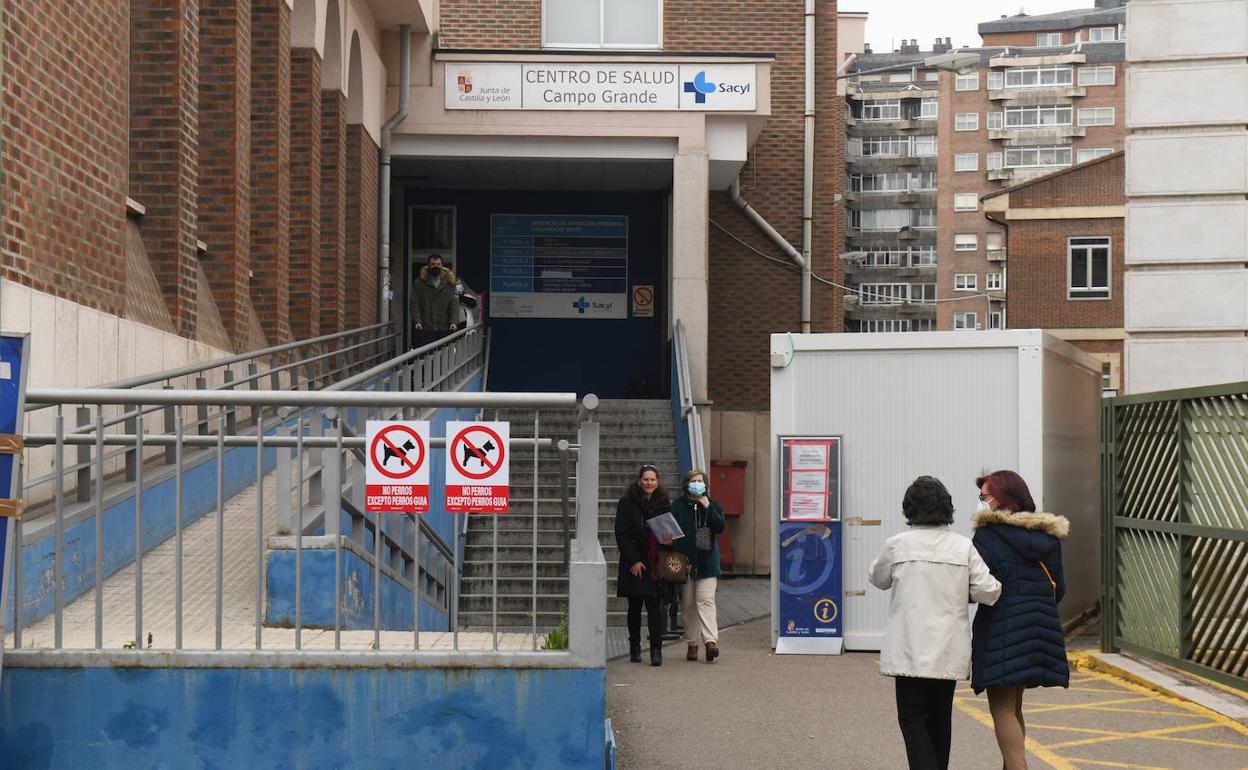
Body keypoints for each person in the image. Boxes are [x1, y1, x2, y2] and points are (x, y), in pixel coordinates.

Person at [869, 476, 1002, 770]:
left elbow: (878, 579)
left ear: (908, 509)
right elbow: (989, 591)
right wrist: (960, 589)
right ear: (947, 508)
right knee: (941, 722)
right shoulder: (963, 547)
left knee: (913, 720)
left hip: (909, 650)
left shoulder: (896, 545)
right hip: (947, 649)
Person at [971, 470, 1070, 770]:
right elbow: (1059, 588)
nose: (981, 503)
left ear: (1004, 499)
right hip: (1040, 628)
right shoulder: (1046, 536)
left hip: (1001, 628)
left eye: (984, 496)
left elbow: (979, 586)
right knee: (1014, 706)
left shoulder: (987, 536)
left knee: (1001, 707)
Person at [614, 464, 673, 666]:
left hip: (656, 563)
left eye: (653, 479)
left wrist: (671, 540)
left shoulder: (663, 503)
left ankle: (656, 650)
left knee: (655, 608)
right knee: (635, 608)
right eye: (646, 479)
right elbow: (621, 534)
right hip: (635, 563)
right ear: (639, 481)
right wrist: (634, 560)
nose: (649, 483)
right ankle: (635, 647)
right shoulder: (626, 503)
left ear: (658, 482)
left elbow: (669, 531)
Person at [671, 469, 726, 663]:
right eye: (693, 481)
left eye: (700, 481)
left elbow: (719, 527)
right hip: (685, 563)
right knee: (687, 605)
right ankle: (692, 643)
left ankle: (710, 642)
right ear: (687, 484)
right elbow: (670, 530)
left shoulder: (713, 505)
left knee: (706, 601)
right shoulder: (677, 506)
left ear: (705, 485)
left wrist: (708, 507)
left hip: (707, 563)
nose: (697, 484)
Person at [410, 253, 459, 348]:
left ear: (442, 266)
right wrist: (417, 321)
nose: (435, 266)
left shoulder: (450, 284)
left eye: (438, 264)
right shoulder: (419, 284)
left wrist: (454, 321)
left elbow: (454, 304)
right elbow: (414, 304)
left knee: (444, 357)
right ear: (428, 266)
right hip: (426, 328)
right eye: (433, 264)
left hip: (444, 328)